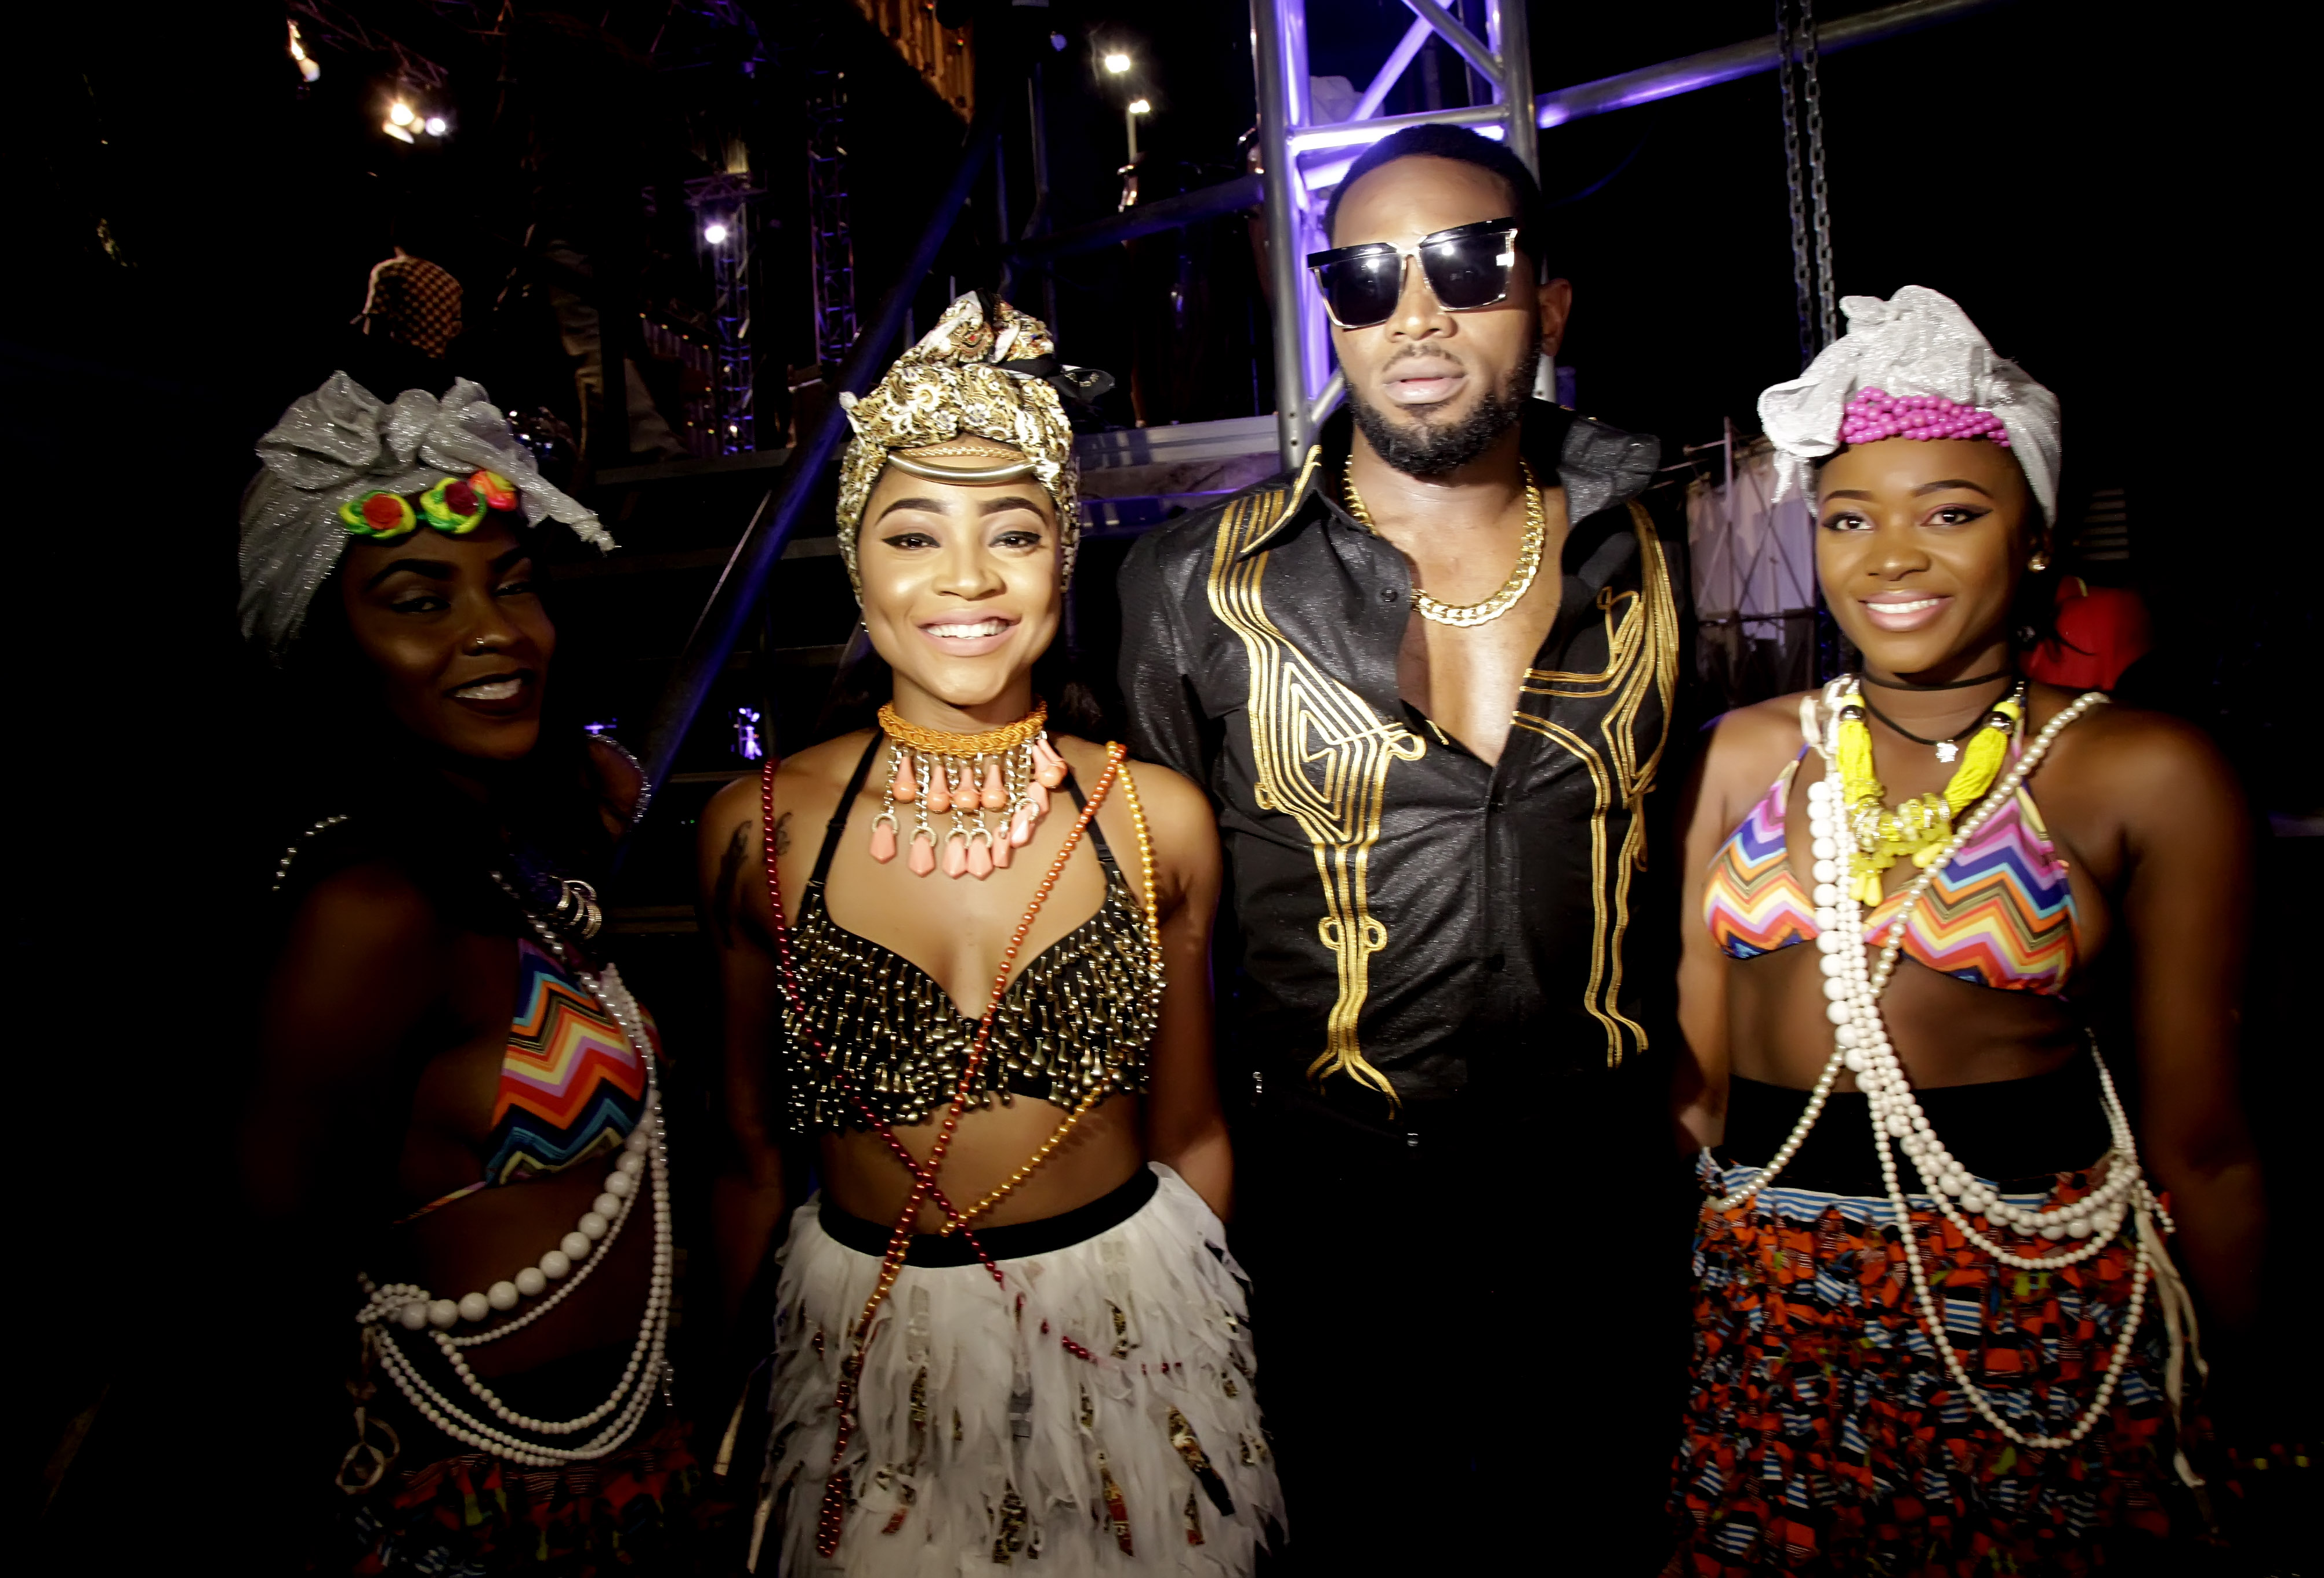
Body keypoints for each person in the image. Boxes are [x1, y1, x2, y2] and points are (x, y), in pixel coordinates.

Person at [1116, 124, 1694, 1570]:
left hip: (1607, 1208)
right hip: (1330, 1218)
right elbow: (1154, 911)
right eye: (1367, 276)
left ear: (1548, 302)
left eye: (1468, 263)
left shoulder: (1663, 545)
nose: (1417, 313)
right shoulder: (1192, 583)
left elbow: (1716, 843)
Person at [1667, 287, 2263, 1574]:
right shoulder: (1751, 749)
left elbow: (2206, 1143)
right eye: (1847, 517)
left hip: (2024, 1308)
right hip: (1769, 1301)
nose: (1891, 556)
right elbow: (1693, 1080)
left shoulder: (2136, 770)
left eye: (1951, 512)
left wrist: (2260, 1413)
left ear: (2036, 538)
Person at [698, 293, 1282, 1574]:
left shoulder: (1153, 815)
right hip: (865, 1345)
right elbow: (744, 1151)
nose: (967, 579)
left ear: (1063, 561)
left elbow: (1192, 1133)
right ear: (860, 565)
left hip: (1128, 1333)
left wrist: (1188, 1371)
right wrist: (707, 1402)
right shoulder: (758, 827)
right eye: (915, 534)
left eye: (1012, 533)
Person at [238, 373, 707, 1570]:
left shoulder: (505, 854)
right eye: (417, 599)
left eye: (512, 585)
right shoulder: (372, 910)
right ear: (336, 648)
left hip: (627, 1469)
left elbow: (606, 779)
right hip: (473, 1512)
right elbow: (270, 1261)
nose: (493, 631)